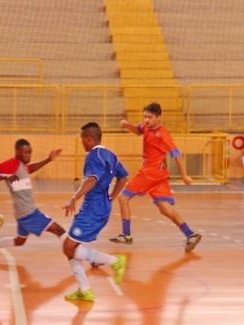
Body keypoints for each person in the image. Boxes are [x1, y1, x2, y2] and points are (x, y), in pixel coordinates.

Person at [109, 102, 202, 252]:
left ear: (158, 118)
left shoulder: (163, 135)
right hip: (159, 174)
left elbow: (177, 155)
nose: (146, 120)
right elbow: (138, 130)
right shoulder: (146, 127)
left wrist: (184, 176)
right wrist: (127, 125)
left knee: (122, 198)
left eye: (150, 117)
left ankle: (126, 234)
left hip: (150, 173)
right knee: (165, 209)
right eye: (145, 117)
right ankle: (190, 234)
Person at [62, 122, 129, 301]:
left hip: (92, 210)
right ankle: (84, 290)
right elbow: (123, 177)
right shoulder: (110, 155)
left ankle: (114, 261)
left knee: (68, 247)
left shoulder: (93, 156)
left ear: (89, 138)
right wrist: (111, 198)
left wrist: (75, 197)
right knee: (71, 247)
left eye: (82, 138)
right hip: (101, 206)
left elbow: (91, 180)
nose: (82, 142)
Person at [0, 139, 67, 258]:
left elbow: (30, 169)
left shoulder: (22, 166)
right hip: (29, 213)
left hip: (22, 212)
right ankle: (83, 256)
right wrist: (5, 176)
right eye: (26, 152)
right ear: (17, 151)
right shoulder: (12, 163)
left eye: (30, 152)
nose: (29, 155)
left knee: (20, 241)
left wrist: (48, 159)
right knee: (59, 230)